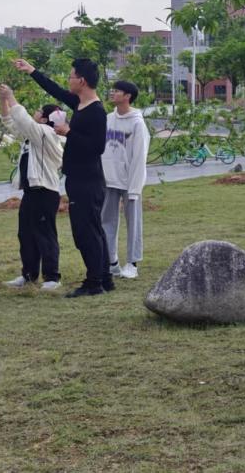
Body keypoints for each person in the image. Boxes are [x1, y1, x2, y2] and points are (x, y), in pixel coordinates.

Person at [15, 57, 113, 298]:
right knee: (92, 230)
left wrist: (70, 132)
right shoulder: (79, 103)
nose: (68, 81)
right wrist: (32, 71)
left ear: (82, 81)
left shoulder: (96, 111)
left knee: (86, 233)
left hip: (87, 180)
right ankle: (105, 278)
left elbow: (97, 147)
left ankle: (94, 283)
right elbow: (55, 90)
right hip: (78, 178)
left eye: (71, 76)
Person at [0, 85, 64, 291]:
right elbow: (11, 122)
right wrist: (3, 100)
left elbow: (23, 119)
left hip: (45, 192)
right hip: (31, 192)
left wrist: (11, 95)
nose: (34, 112)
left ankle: (52, 277)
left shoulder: (45, 133)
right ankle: (28, 275)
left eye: (38, 111)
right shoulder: (32, 135)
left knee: (45, 234)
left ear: (44, 119)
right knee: (26, 234)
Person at [101, 80, 150, 279]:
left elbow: (139, 157)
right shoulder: (107, 119)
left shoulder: (137, 123)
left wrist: (135, 188)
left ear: (128, 96)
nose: (113, 93)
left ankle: (132, 263)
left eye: (117, 91)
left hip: (130, 182)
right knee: (106, 222)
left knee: (133, 223)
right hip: (109, 179)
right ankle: (111, 261)